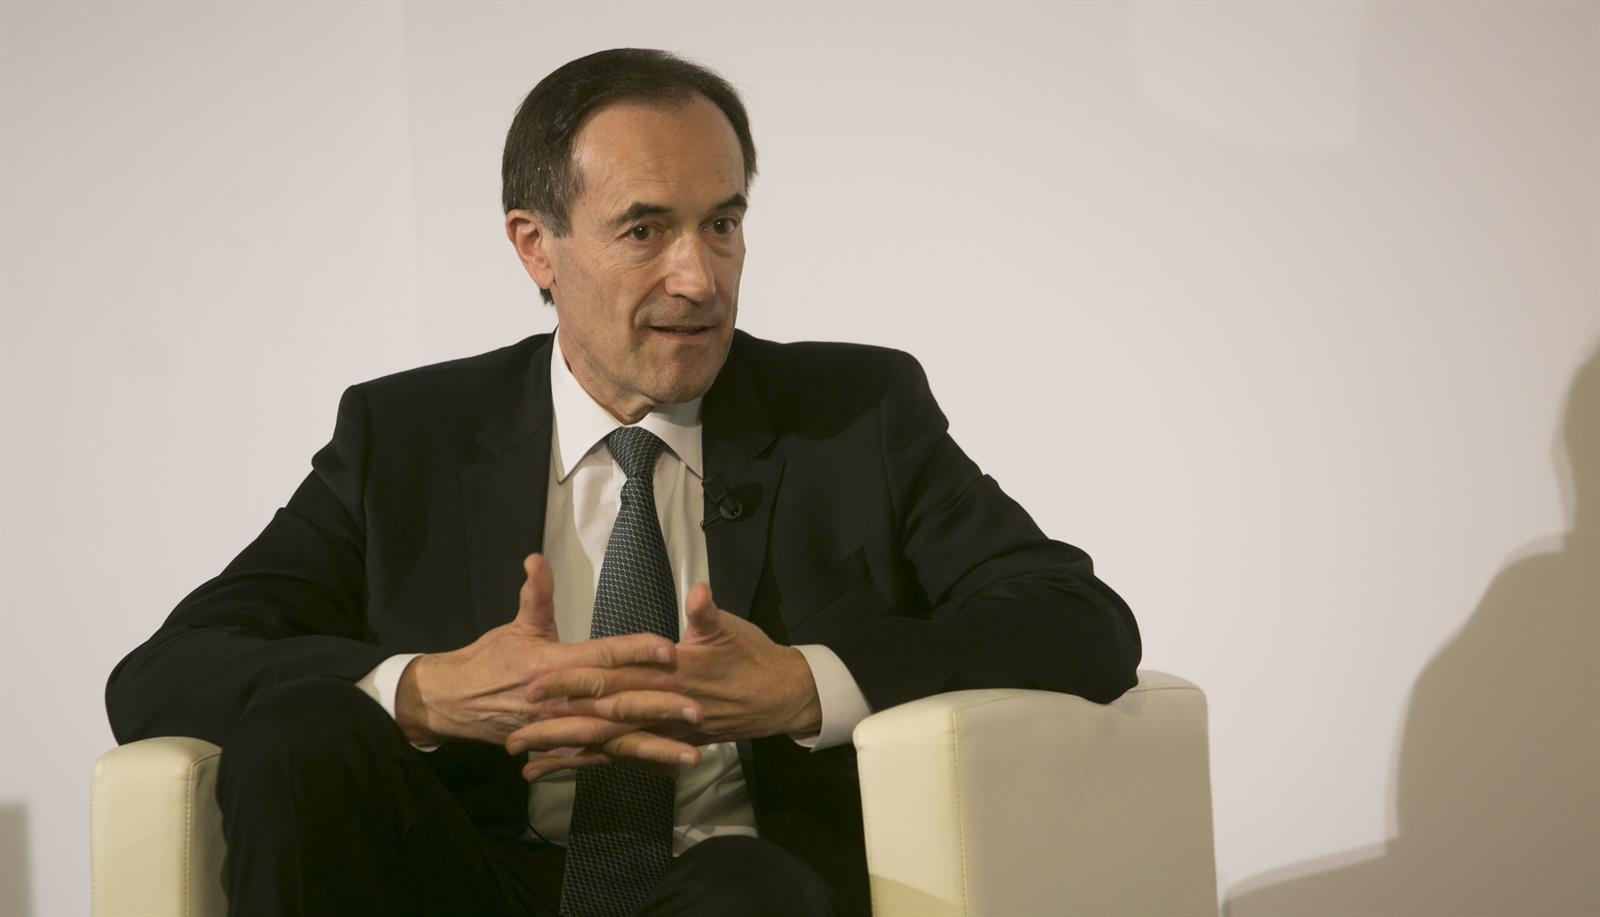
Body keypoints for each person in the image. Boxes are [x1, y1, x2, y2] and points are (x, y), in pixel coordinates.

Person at [104, 47, 1141, 916]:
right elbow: (165, 671)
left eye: (722, 223)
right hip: (478, 879)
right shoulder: (406, 436)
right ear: (536, 247)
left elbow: (1077, 618)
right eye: (645, 230)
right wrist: (426, 691)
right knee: (303, 726)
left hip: (729, 885)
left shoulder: (853, 414)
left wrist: (800, 683)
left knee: (746, 890)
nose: (700, 277)